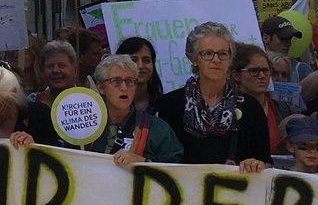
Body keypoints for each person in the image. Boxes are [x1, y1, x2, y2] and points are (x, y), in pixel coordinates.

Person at [151, 22, 271, 173]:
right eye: (208, 54)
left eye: (223, 54)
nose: (216, 59)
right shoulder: (171, 105)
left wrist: (257, 164)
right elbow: (161, 160)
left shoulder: (250, 106)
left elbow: (266, 162)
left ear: (230, 59)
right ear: (194, 59)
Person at [73, 55, 183, 164]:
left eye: (130, 81)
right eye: (116, 81)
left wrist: (143, 162)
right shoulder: (84, 125)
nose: (124, 87)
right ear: (101, 87)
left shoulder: (157, 129)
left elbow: (177, 168)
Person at [231, 44, 289, 155]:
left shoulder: (281, 108)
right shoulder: (227, 110)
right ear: (237, 75)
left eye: (266, 70)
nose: (262, 76)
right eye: (254, 71)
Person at [115, 37, 164, 110]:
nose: (140, 66)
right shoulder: (110, 106)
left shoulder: (167, 104)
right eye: (133, 60)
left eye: (146, 60)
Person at [29, 40, 80, 107]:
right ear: (42, 71)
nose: (55, 70)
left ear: (75, 70)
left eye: (61, 65)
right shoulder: (31, 102)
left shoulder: (89, 101)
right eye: (50, 66)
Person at [260, 15, 312, 82]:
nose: (288, 43)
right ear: (266, 38)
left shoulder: (301, 70)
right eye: (283, 38)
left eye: (290, 39)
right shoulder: (252, 68)